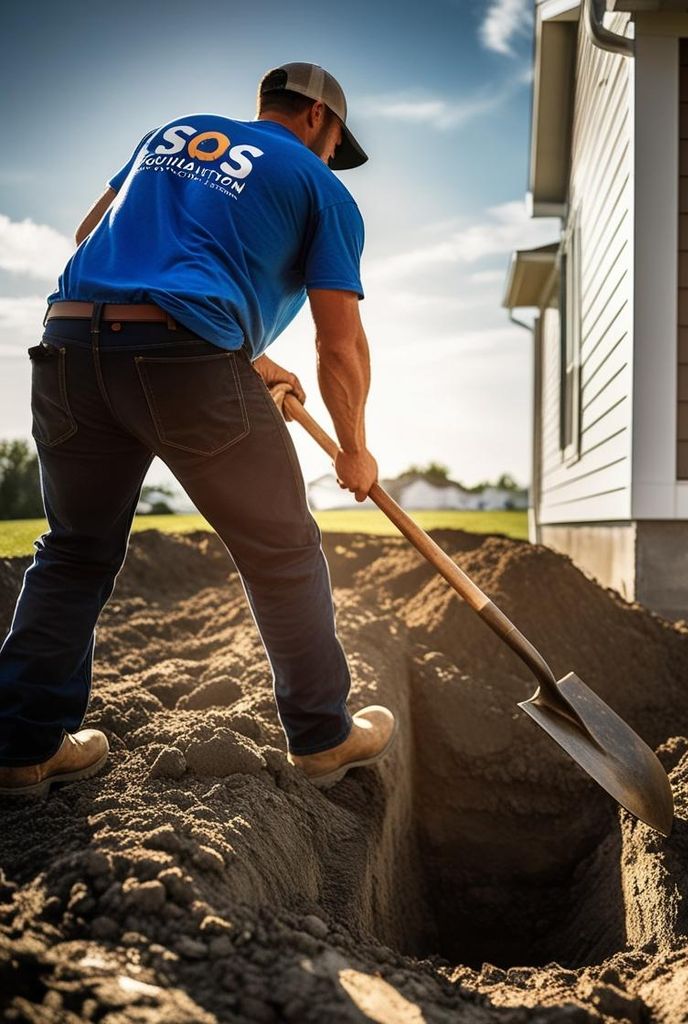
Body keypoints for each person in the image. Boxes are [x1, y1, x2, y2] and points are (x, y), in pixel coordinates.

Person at [0, 63, 397, 797]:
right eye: (337, 142)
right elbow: (340, 341)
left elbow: (94, 234)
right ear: (319, 120)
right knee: (281, 549)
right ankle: (323, 736)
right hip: (183, 360)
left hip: (68, 346)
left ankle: (21, 746)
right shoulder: (320, 187)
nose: (335, 157)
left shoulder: (168, 136)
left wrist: (245, 351)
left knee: (74, 552)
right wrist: (354, 449)